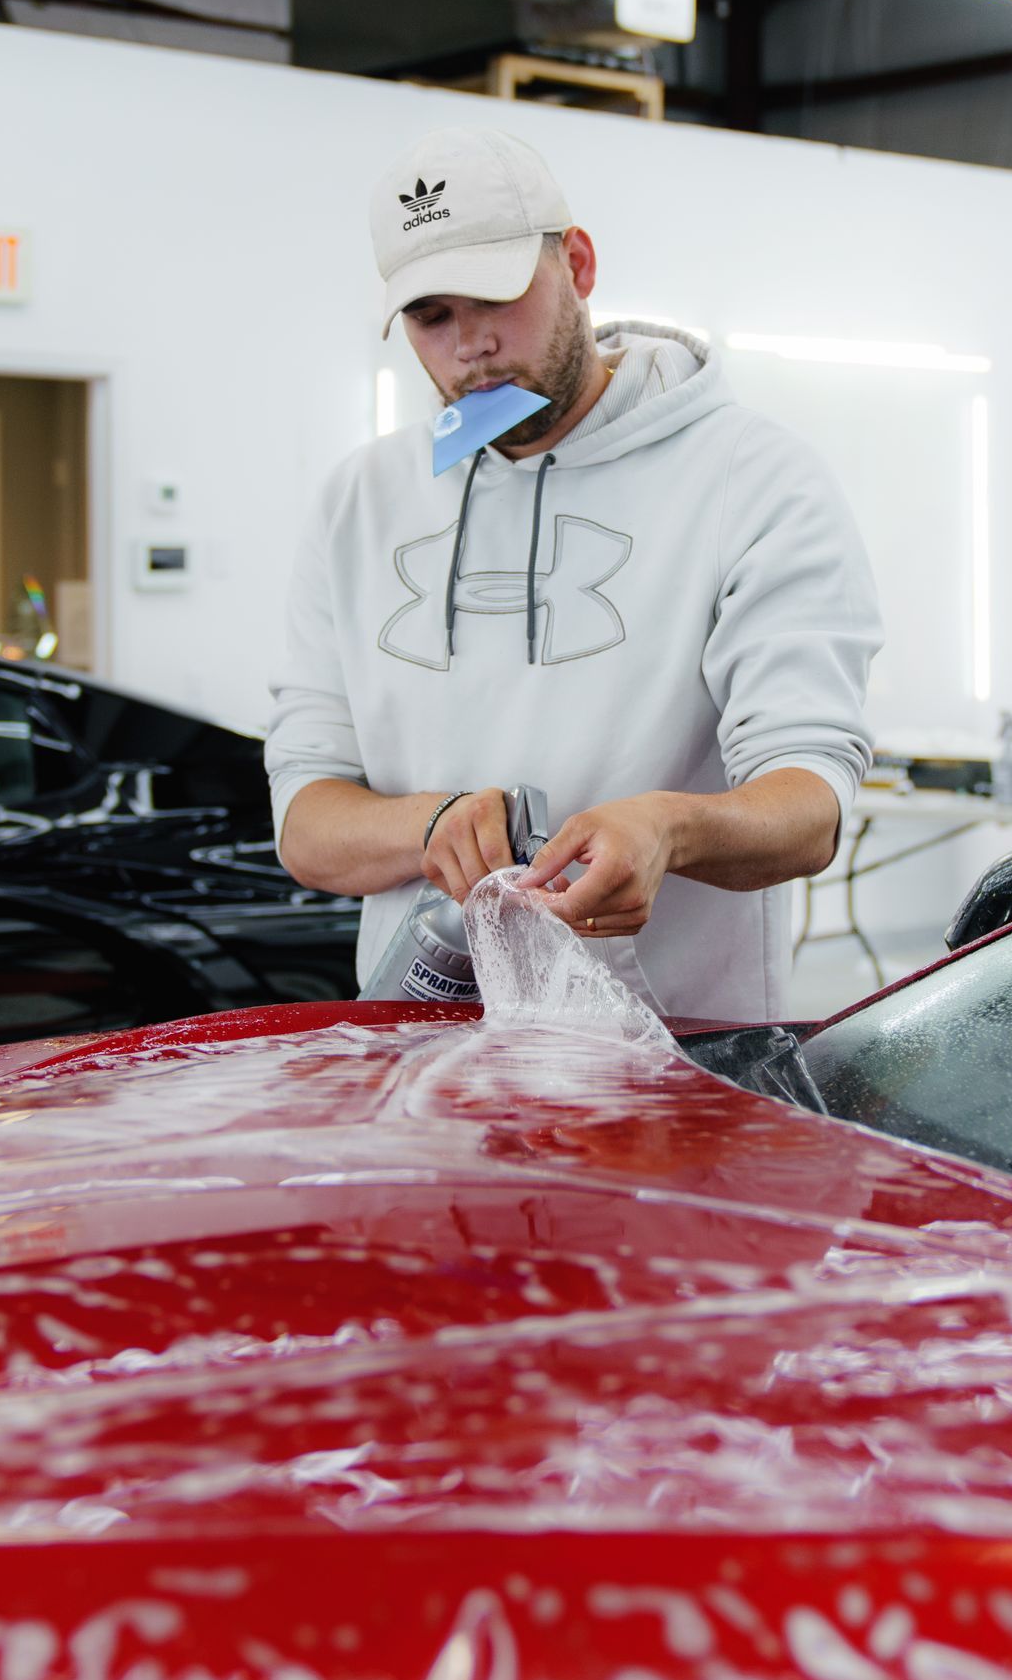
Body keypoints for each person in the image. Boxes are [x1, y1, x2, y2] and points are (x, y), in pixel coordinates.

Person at [265, 123, 882, 1022]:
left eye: (494, 295)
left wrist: (670, 828)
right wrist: (432, 828)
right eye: (433, 316)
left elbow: (808, 803)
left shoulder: (751, 477)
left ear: (579, 265)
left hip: (684, 1070)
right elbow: (307, 821)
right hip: (423, 1071)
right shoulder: (358, 502)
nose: (470, 344)